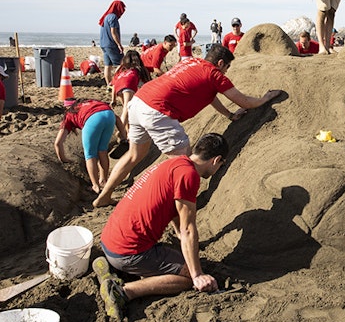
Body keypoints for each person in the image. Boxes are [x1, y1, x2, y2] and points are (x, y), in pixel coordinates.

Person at [93, 45, 282, 208]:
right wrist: (266, 98)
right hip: (157, 111)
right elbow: (244, 101)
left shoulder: (191, 62)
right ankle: (171, 206)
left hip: (139, 101)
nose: (226, 72)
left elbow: (210, 96)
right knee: (182, 163)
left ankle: (105, 196)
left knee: (134, 155)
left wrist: (229, 115)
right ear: (221, 63)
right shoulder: (214, 73)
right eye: (227, 67)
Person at [94, 133, 230, 319]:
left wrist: (180, 236)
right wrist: (197, 274)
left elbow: (174, 211)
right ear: (216, 160)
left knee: (181, 256)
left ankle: (111, 270)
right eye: (220, 165)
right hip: (127, 251)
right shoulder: (189, 176)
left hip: (110, 239)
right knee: (187, 277)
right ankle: (123, 291)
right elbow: (188, 228)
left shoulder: (176, 163)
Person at [54, 98, 127, 194]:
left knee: (90, 154)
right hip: (109, 115)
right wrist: (124, 136)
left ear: (66, 108)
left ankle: (95, 186)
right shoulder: (91, 102)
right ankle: (104, 180)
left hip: (92, 119)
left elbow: (58, 143)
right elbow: (117, 118)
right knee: (102, 150)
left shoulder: (69, 114)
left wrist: (63, 159)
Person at [110, 50, 151, 129]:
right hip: (128, 85)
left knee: (126, 110)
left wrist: (113, 99)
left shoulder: (121, 69)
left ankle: (127, 134)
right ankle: (120, 131)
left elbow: (114, 85)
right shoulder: (139, 69)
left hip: (118, 88)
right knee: (127, 109)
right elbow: (146, 84)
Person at [98, 0, 126, 87]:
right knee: (123, 63)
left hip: (104, 44)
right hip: (111, 45)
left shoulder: (106, 17)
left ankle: (109, 85)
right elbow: (113, 32)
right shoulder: (113, 17)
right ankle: (115, 82)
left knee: (108, 65)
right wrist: (119, 44)